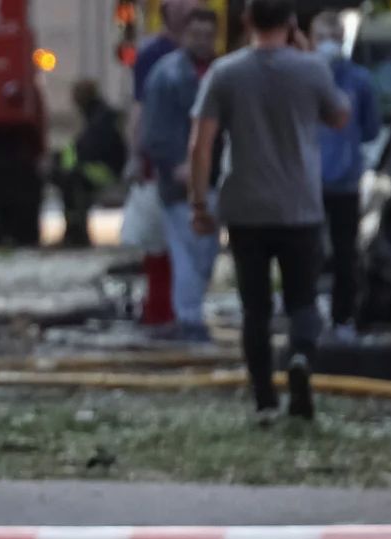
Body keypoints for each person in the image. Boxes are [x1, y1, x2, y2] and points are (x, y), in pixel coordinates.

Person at [188, 0, 350, 422]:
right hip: (299, 206)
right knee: (302, 301)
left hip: (244, 206)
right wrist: (309, 54)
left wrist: (198, 203)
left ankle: (263, 400)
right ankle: (299, 358)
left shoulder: (225, 73)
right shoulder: (311, 69)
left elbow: (200, 145)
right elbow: (340, 116)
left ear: (246, 21)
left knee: (254, 307)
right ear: (291, 24)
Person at [141, 7, 222, 342]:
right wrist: (174, 166)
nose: (201, 41)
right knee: (188, 253)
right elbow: (155, 128)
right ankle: (189, 318)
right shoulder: (167, 75)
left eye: (207, 35)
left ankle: (190, 313)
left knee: (205, 253)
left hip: (213, 178)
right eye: (196, 34)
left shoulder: (219, 73)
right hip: (181, 182)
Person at [126, 0, 197, 329]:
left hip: (196, 158)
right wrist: (137, 155)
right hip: (165, 161)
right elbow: (140, 108)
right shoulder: (154, 54)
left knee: (190, 245)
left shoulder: (204, 55)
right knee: (161, 244)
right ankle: (161, 311)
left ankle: (180, 311)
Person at [313, 12, 381, 341]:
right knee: (303, 253)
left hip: (345, 183)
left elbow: (370, 129)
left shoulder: (360, 81)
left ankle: (343, 319)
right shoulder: (300, 78)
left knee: (345, 255)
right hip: (305, 183)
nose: (328, 43)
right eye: (322, 36)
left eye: (334, 36)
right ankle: (303, 315)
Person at [54, 80, 127, 248]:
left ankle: (76, 232)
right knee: (69, 178)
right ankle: (75, 232)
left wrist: (65, 164)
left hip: (105, 170)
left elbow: (87, 149)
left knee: (71, 181)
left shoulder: (99, 119)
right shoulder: (98, 115)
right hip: (101, 167)